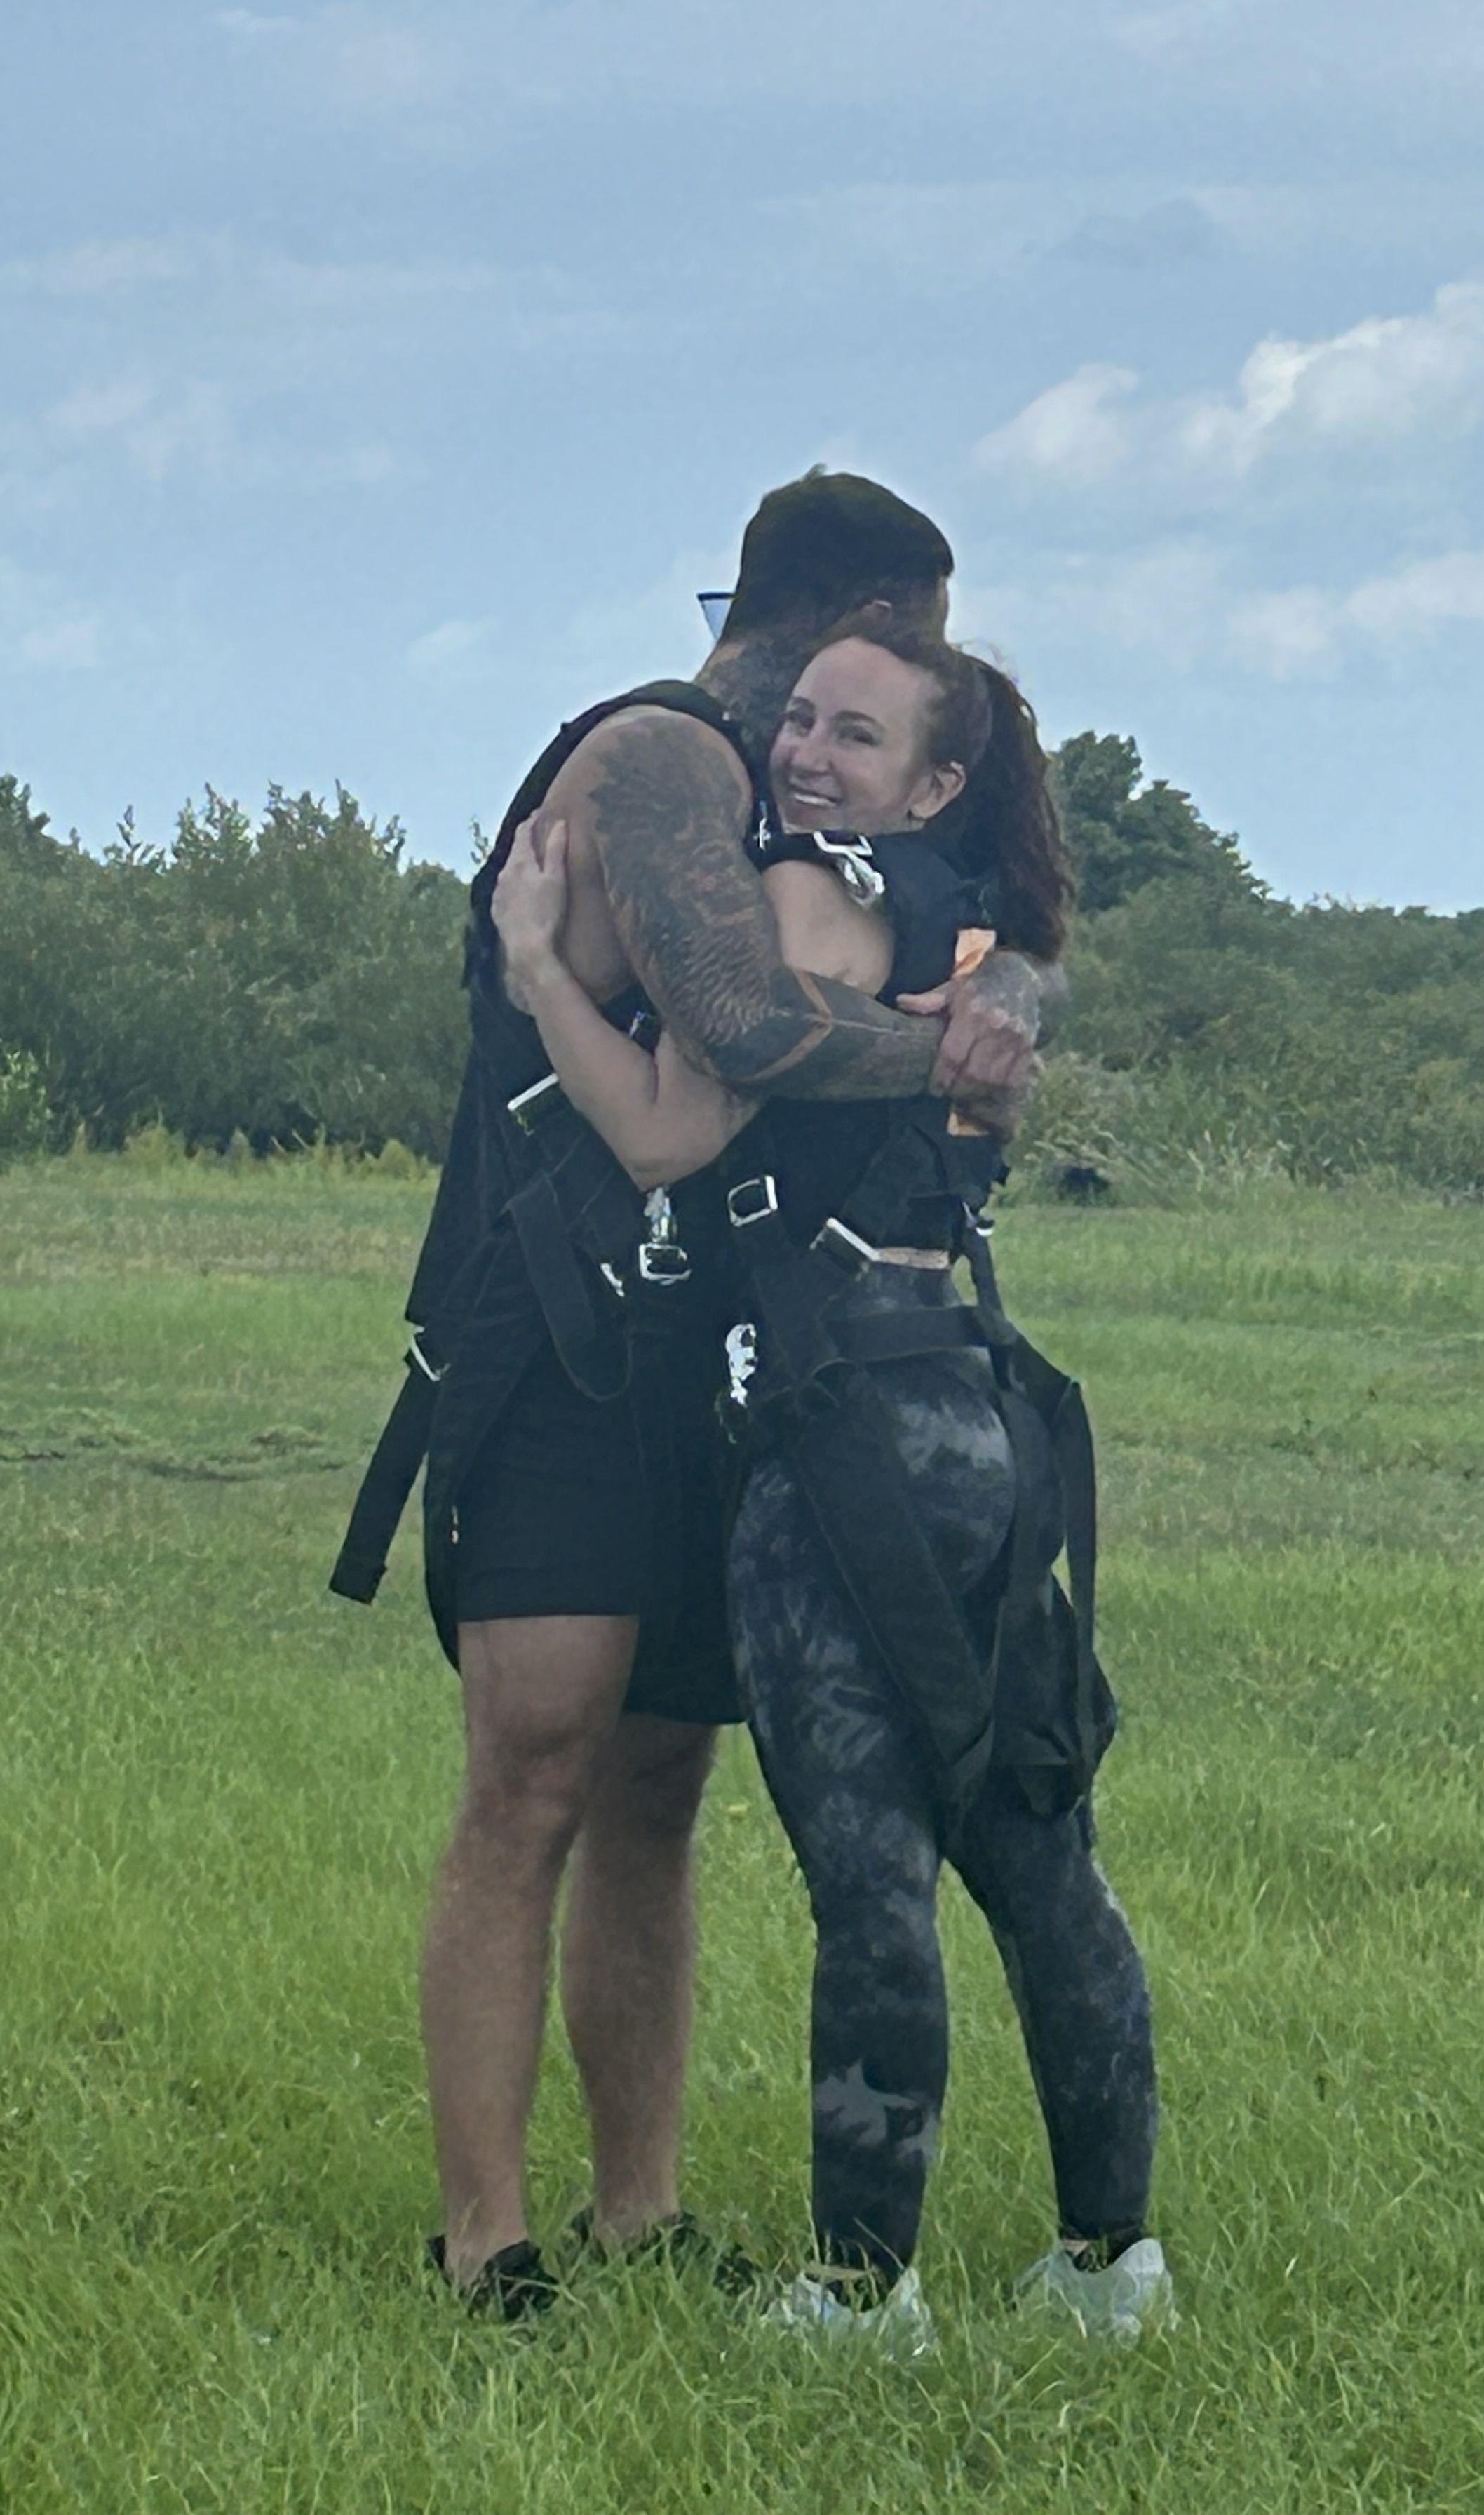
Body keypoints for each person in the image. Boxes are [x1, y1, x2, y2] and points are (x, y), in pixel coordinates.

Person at [332, 471, 1055, 2313]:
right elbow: (736, 1032)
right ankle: (485, 2237)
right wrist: (946, 1052)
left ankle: (635, 2207)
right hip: (555, 1338)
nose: (891, 692)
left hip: (711, 1355)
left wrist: (1017, 995)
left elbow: (999, 919)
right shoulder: (656, 760)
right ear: (842, 614)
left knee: (660, 1779)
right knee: (536, 1765)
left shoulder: (791, 814)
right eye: (896, 647)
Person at [490, 617, 1168, 2352]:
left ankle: (864, 2293)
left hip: (839, 1426)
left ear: (930, 778)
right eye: (796, 720)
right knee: (1040, 1853)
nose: (801, 756)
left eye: (853, 736)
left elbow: (667, 1128)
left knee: (871, 1877)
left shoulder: (803, 893)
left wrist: (540, 975)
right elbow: (1014, 1003)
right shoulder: (973, 920)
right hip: (980, 1406)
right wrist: (1004, 1006)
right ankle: (1113, 2270)